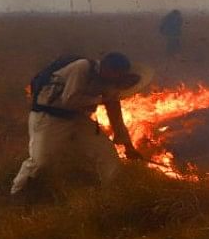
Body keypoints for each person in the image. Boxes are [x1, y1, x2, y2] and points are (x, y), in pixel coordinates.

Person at [10, 52, 147, 197]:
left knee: (107, 154)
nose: (118, 79)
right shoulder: (82, 67)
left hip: (76, 118)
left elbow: (116, 118)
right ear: (106, 67)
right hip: (49, 117)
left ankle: (111, 195)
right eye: (117, 74)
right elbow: (69, 99)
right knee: (41, 161)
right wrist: (100, 99)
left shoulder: (110, 85)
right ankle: (17, 193)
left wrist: (128, 147)